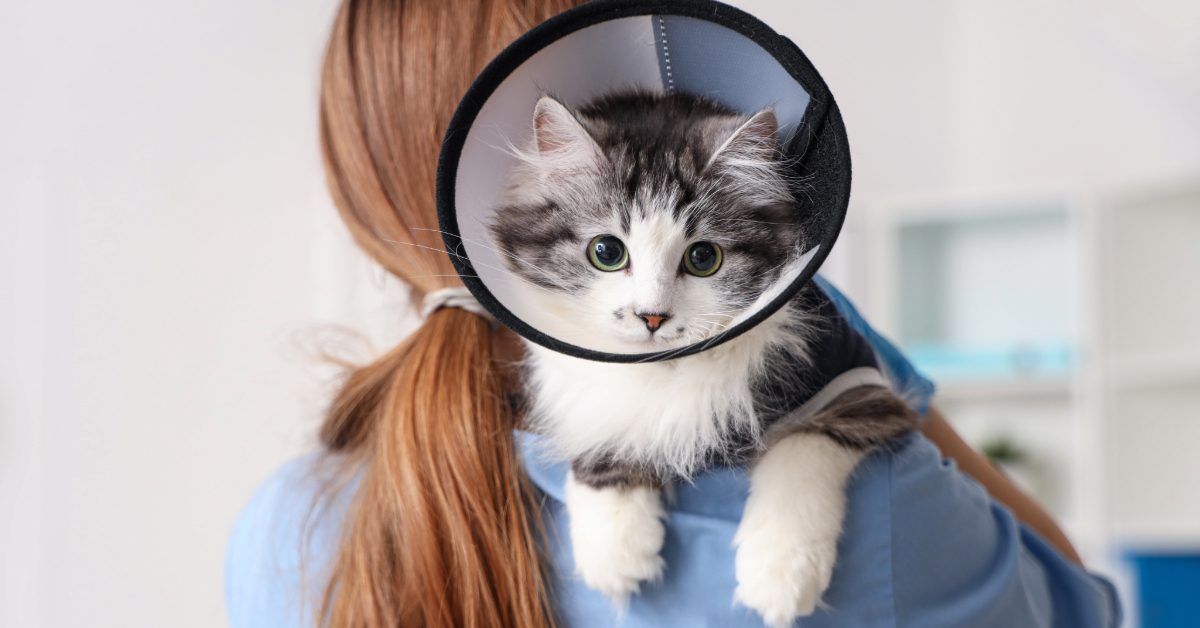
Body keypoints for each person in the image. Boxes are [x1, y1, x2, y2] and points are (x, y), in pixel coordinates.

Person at [226, 1, 1121, 626]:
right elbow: (1084, 606)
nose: (650, 311)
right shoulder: (884, 511)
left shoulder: (283, 523)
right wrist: (878, 373)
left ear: (355, 186)